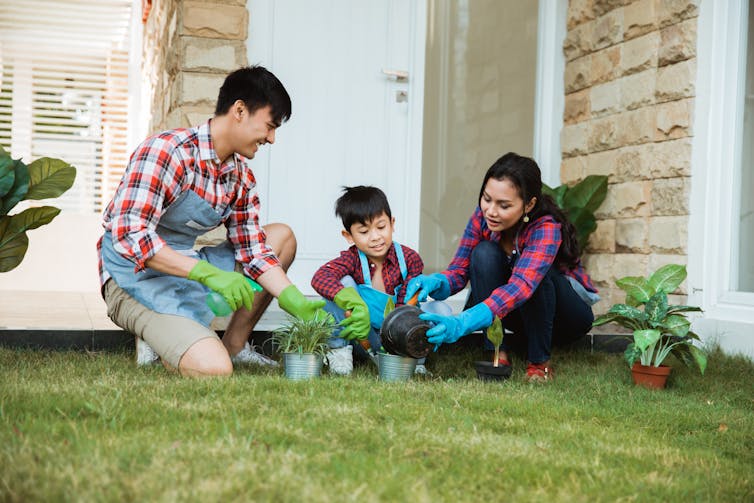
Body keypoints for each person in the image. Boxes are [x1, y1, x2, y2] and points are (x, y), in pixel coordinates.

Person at [97, 66, 328, 377]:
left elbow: (254, 251)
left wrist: (291, 297)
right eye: (270, 126)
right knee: (213, 369)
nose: (272, 139)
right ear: (240, 110)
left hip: (186, 270)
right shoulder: (168, 152)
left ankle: (231, 345)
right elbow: (130, 235)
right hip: (131, 278)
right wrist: (207, 274)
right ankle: (164, 333)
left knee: (280, 237)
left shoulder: (240, 177)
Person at [406, 153, 598, 382]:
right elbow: (459, 271)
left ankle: (539, 363)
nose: (491, 211)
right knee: (483, 254)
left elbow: (521, 287)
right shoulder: (483, 218)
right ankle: (498, 353)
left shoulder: (545, 228)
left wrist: (461, 323)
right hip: (517, 313)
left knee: (538, 276)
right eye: (487, 199)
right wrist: (435, 282)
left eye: (504, 205)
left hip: (563, 318)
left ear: (529, 204)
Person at [311, 186, 449, 376]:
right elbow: (320, 277)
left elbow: (406, 305)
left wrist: (400, 338)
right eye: (364, 231)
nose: (375, 237)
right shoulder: (352, 259)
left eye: (381, 227)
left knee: (441, 310)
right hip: (363, 337)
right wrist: (353, 302)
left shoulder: (409, 259)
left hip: (401, 336)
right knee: (342, 282)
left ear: (392, 224)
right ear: (349, 236)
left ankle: (415, 361)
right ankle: (339, 353)